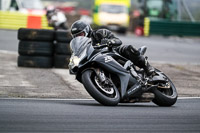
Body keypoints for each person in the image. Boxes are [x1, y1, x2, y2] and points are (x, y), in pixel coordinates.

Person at [70, 20, 154, 76]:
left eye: (80, 34)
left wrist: (110, 42)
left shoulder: (99, 33)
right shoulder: (81, 45)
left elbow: (117, 40)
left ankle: (147, 67)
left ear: (87, 30)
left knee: (128, 48)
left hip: (112, 53)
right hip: (97, 60)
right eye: (76, 36)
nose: (78, 37)